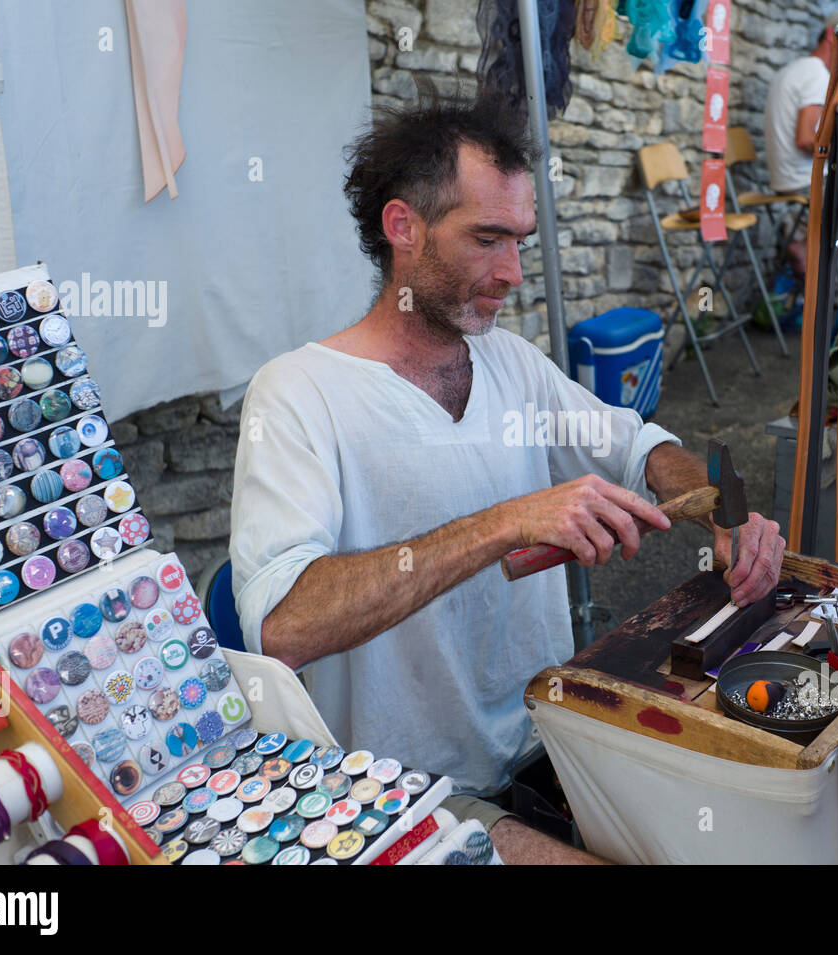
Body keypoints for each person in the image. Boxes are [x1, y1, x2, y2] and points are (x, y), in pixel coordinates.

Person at [229, 90, 787, 864]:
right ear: (403, 227)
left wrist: (729, 506)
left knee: (744, 829)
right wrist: (508, 520)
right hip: (404, 789)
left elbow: (640, 447)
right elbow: (282, 624)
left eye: (520, 240)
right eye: (488, 239)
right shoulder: (297, 393)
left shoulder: (510, 361)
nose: (515, 273)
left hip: (550, 732)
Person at [762, 10, 838, 276]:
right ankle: (837, 294)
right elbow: (805, 139)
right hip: (802, 180)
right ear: (830, 38)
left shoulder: (795, 69)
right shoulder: (815, 75)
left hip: (786, 178)